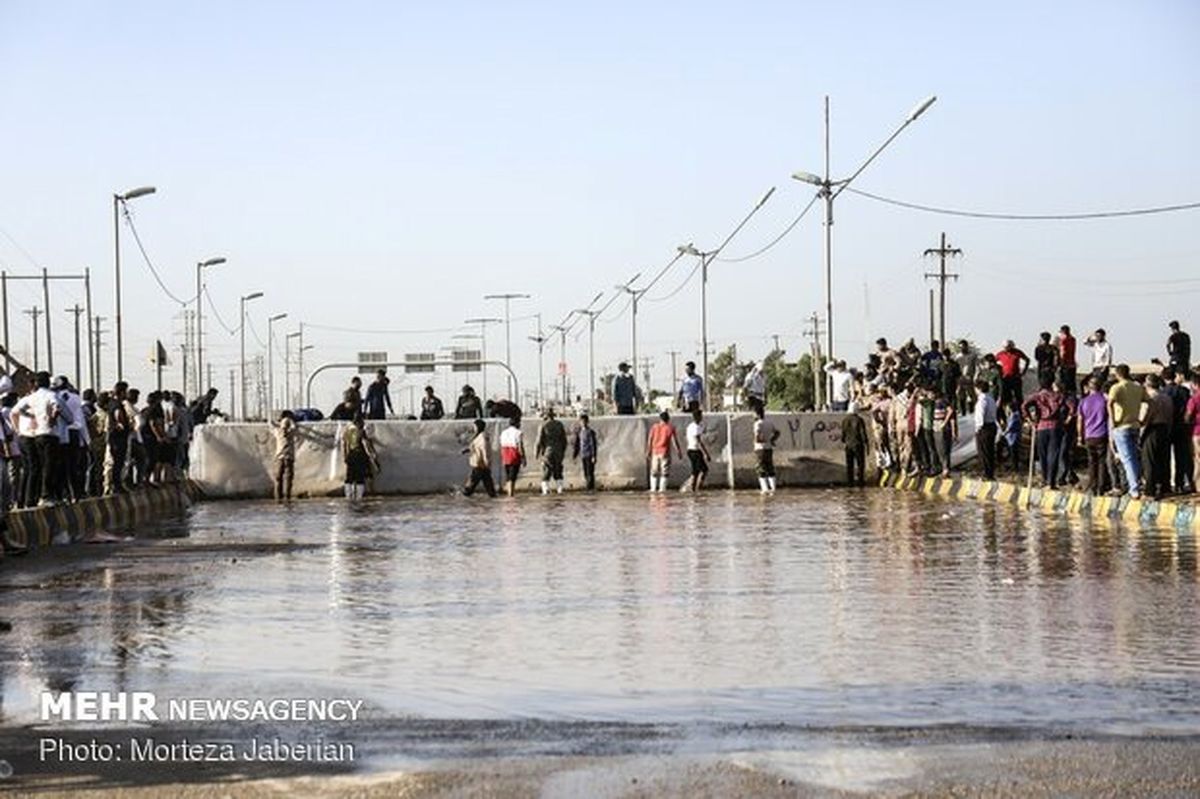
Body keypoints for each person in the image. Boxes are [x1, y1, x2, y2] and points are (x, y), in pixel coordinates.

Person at [12, 371, 60, 507]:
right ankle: (45, 496)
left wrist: (29, 416)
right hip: (49, 433)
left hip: (37, 435)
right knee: (49, 466)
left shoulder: (31, 397)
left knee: (34, 468)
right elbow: (57, 407)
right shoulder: (51, 394)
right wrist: (52, 419)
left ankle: (30, 500)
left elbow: (17, 410)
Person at [1107, 364, 1145, 498]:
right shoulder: (1138, 387)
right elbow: (1149, 402)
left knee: (1127, 460)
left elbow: (1110, 403)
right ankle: (1137, 484)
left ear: (1117, 374)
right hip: (1135, 425)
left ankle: (1134, 489)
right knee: (1134, 457)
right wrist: (1143, 419)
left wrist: (1113, 421)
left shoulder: (1116, 388)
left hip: (1121, 427)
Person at [1023, 375, 1064, 490]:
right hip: (1055, 426)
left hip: (1041, 426)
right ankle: (1050, 482)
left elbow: (1024, 405)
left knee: (1043, 455)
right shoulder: (1057, 396)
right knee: (1053, 455)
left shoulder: (1037, 396)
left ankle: (1045, 479)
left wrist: (1030, 420)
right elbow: (1069, 407)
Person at [1161, 367, 1194, 494]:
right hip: (1182, 427)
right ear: (1175, 376)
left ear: (1164, 378)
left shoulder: (1163, 392)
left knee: (1166, 457)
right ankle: (1180, 483)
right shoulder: (1184, 391)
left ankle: (1167, 485)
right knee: (1181, 457)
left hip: (1167, 427)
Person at [1141, 374, 1174, 500]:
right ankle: (1165, 487)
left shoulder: (1150, 398)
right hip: (1165, 428)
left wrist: (1141, 432)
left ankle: (1150, 490)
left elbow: (1146, 417)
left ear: (1147, 384)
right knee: (1164, 459)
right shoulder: (1167, 397)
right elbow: (1170, 415)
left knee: (1149, 460)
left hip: (1152, 429)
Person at [1076, 376, 1110, 495]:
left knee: (1091, 461)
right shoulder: (1104, 400)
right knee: (1101, 462)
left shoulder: (1083, 402)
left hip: (1089, 435)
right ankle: (1101, 487)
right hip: (1102, 434)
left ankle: (1092, 486)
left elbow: (1080, 421)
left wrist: (1080, 437)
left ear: (1089, 387)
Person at [646, 410, 682, 493]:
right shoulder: (670, 428)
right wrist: (678, 451)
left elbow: (650, 439)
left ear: (660, 419)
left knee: (654, 471)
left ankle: (653, 489)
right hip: (664, 452)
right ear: (668, 419)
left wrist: (648, 451)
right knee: (664, 471)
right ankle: (662, 489)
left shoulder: (654, 427)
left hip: (655, 451)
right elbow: (674, 441)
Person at [535, 408, 568, 495]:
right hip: (558, 451)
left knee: (546, 470)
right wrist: (562, 451)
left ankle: (545, 491)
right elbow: (564, 440)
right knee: (558, 470)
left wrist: (537, 453)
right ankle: (560, 490)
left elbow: (539, 441)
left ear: (546, 415)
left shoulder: (543, 425)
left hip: (547, 452)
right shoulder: (559, 424)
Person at [340, 414, 373, 500]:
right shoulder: (361, 431)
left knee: (349, 477)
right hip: (359, 455)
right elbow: (366, 444)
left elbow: (344, 443)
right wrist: (371, 455)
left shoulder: (348, 431)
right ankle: (358, 498)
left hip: (351, 455)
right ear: (359, 422)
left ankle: (348, 497)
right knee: (359, 478)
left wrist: (345, 455)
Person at [462, 418, 496, 497]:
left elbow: (484, 449)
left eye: (474, 426)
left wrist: (487, 461)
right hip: (480, 464)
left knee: (471, 484)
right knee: (488, 485)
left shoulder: (482, 437)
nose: (473, 428)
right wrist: (467, 450)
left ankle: (465, 499)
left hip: (480, 464)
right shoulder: (478, 436)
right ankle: (493, 499)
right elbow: (475, 447)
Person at [994, 340, 1030, 412]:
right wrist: (998, 370)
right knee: (1005, 397)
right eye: (1006, 347)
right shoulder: (1000, 354)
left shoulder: (1017, 352)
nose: (1007, 348)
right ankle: (1007, 412)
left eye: (1009, 347)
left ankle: (1022, 413)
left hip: (1015, 377)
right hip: (1005, 378)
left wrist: (1023, 371)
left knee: (1018, 396)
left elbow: (1027, 360)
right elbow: (993, 361)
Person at [974, 379, 998, 480]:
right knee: (990, 451)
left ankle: (986, 474)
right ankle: (990, 473)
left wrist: (978, 428)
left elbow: (980, 415)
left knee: (983, 451)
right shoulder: (991, 398)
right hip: (992, 425)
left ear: (978, 389)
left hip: (984, 427)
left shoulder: (982, 400)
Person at [753, 404, 780, 493]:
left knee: (761, 468)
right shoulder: (769, 422)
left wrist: (760, 440)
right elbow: (777, 432)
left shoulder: (757, 424)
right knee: (770, 467)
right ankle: (773, 488)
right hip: (769, 448)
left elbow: (757, 437)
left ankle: (764, 489)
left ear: (757, 414)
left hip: (760, 449)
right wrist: (771, 440)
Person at [271, 410, 297, 502]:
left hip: (285, 457)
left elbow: (271, 424)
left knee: (284, 477)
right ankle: (282, 496)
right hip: (283, 457)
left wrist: (284, 420)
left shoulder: (280, 432)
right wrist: (289, 420)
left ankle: (283, 496)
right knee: (282, 477)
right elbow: (271, 424)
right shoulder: (286, 432)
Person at [684, 408, 711, 492]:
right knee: (704, 470)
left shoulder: (691, 426)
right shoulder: (696, 428)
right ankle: (698, 488)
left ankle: (693, 489)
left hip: (690, 450)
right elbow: (699, 442)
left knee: (695, 471)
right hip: (696, 451)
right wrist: (706, 454)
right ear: (698, 417)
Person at [933, 389, 958, 478]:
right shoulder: (937, 402)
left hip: (941, 427)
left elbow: (951, 411)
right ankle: (945, 468)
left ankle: (945, 469)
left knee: (943, 448)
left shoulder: (941, 402)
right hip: (938, 426)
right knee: (941, 448)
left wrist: (944, 422)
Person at [498, 417, 526, 496]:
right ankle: (511, 494)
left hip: (505, 454)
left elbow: (501, 444)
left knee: (508, 475)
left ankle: (509, 493)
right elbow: (520, 446)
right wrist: (523, 458)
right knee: (512, 476)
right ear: (517, 423)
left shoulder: (503, 432)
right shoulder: (518, 432)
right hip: (514, 454)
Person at [572, 413, 598, 491]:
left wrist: (594, 456)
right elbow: (577, 444)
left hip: (589, 454)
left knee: (590, 472)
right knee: (585, 472)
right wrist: (575, 455)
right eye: (581, 421)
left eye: (584, 421)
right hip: (583, 454)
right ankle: (589, 486)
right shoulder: (579, 432)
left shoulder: (590, 432)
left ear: (587, 422)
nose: (583, 423)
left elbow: (593, 444)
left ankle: (590, 488)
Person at [841, 411, 868, 486]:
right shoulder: (859, 420)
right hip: (858, 444)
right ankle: (860, 481)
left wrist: (844, 440)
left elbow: (843, 434)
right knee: (860, 464)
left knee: (849, 465)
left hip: (848, 445)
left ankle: (850, 482)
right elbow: (862, 433)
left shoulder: (845, 420)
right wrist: (866, 442)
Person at [953, 340, 978, 416]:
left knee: (971, 396)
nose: (962, 348)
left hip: (970, 378)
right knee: (961, 396)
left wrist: (975, 377)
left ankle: (972, 412)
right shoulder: (957, 357)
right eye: (960, 347)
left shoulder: (972, 356)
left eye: (963, 346)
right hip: (961, 379)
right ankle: (962, 412)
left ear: (966, 346)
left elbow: (977, 367)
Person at [1186, 372, 1200, 495]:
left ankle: (1197, 486)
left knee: (1197, 460)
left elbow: (1188, 416)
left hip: (1197, 433)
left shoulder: (1194, 399)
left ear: (1195, 384)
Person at [1057, 325, 1078, 394]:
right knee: (1072, 384)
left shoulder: (1063, 340)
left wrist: (1061, 363)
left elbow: (1063, 352)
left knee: (1064, 383)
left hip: (1065, 364)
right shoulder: (1073, 339)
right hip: (1072, 364)